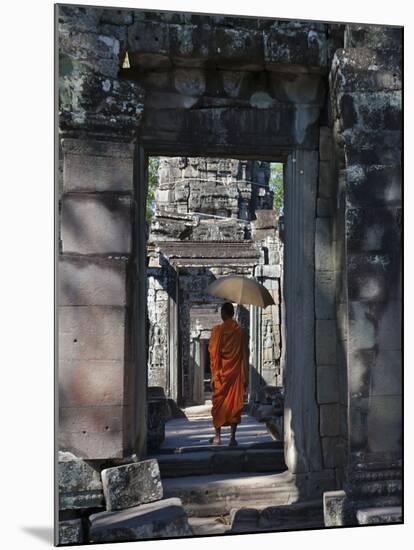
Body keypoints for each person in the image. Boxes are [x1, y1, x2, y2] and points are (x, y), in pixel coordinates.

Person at [208, 302, 248, 446]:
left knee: (219, 404)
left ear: (224, 313)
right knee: (234, 405)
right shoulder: (241, 332)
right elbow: (245, 354)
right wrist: (246, 375)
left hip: (221, 374)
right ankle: (232, 438)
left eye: (221, 312)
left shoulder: (217, 331)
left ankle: (217, 437)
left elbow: (214, 355)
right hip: (236, 374)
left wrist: (214, 374)